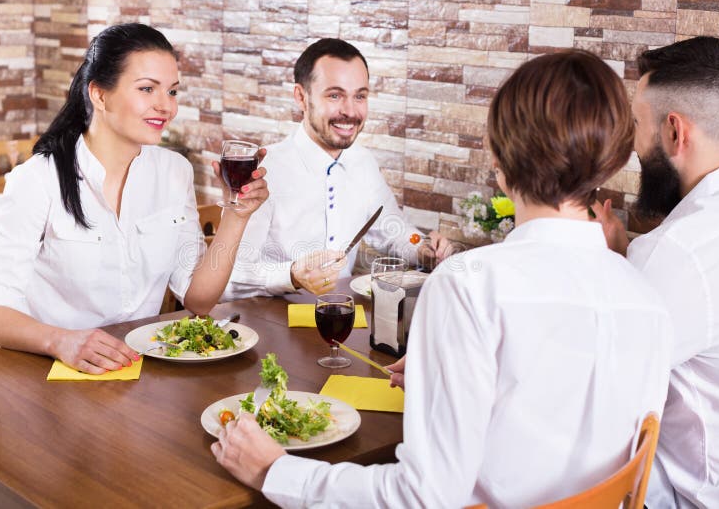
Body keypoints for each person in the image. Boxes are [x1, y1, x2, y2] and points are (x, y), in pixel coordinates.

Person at [211, 49, 674, 507]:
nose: (350, 109)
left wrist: (277, 471)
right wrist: (455, 376)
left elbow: (421, 499)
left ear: (499, 157)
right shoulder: (648, 296)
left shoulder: (467, 285)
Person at [0, 23, 269, 374]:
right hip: (52, 375)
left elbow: (199, 299)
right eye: (146, 89)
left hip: (140, 370)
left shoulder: (175, 172)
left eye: (172, 92)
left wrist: (237, 214)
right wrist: (61, 340)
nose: (165, 107)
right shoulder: (37, 180)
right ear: (99, 94)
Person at [593, 36, 719, 508]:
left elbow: (590, 372)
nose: (633, 143)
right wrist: (627, 255)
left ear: (675, 131)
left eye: (636, 125)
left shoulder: (680, 250)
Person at [221, 38, 452, 301]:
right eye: (334, 95)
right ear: (301, 97)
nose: (350, 111)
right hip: (269, 327)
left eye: (360, 96)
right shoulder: (264, 172)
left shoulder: (362, 162)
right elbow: (228, 276)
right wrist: (292, 275)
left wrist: (423, 248)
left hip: (341, 320)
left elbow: (393, 230)